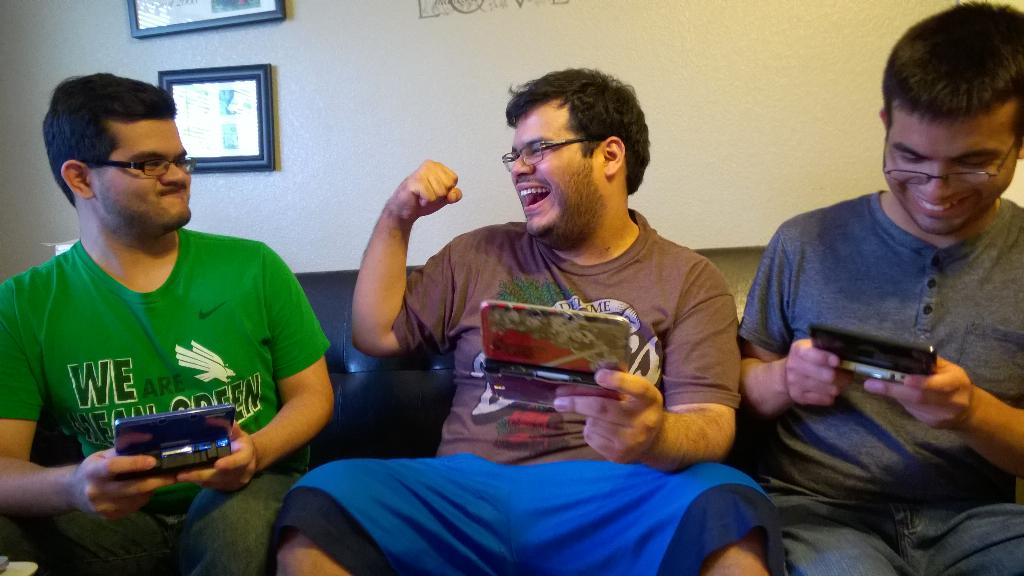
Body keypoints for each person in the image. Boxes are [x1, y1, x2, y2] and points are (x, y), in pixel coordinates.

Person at [275, 68, 785, 575]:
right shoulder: (476, 254)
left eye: (538, 149)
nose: (518, 169)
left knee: (730, 503)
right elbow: (376, 335)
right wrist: (397, 217)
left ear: (610, 155)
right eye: (514, 155)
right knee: (325, 496)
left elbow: (710, 422)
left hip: (612, 496)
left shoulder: (689, 278)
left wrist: (657, 434)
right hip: (467, 497)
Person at [0, 73, 333, 576]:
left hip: (245, 488)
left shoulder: (253, 266)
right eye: (149, 163)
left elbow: (313, 396)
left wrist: (256, 452)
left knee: (235, 535)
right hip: (117, 519)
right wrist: (74, 487)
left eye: (180, 159)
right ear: (80, 178)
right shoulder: (22, 303)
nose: (178, 176)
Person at [738, 4, 1024, 575]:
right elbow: (737, 395)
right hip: (819, 513)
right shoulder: (803, 241)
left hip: (978, 520)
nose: (936, 190)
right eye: (909, 158)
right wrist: (785, 379)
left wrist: (972, 412)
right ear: (886, 124)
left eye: (973, 164)